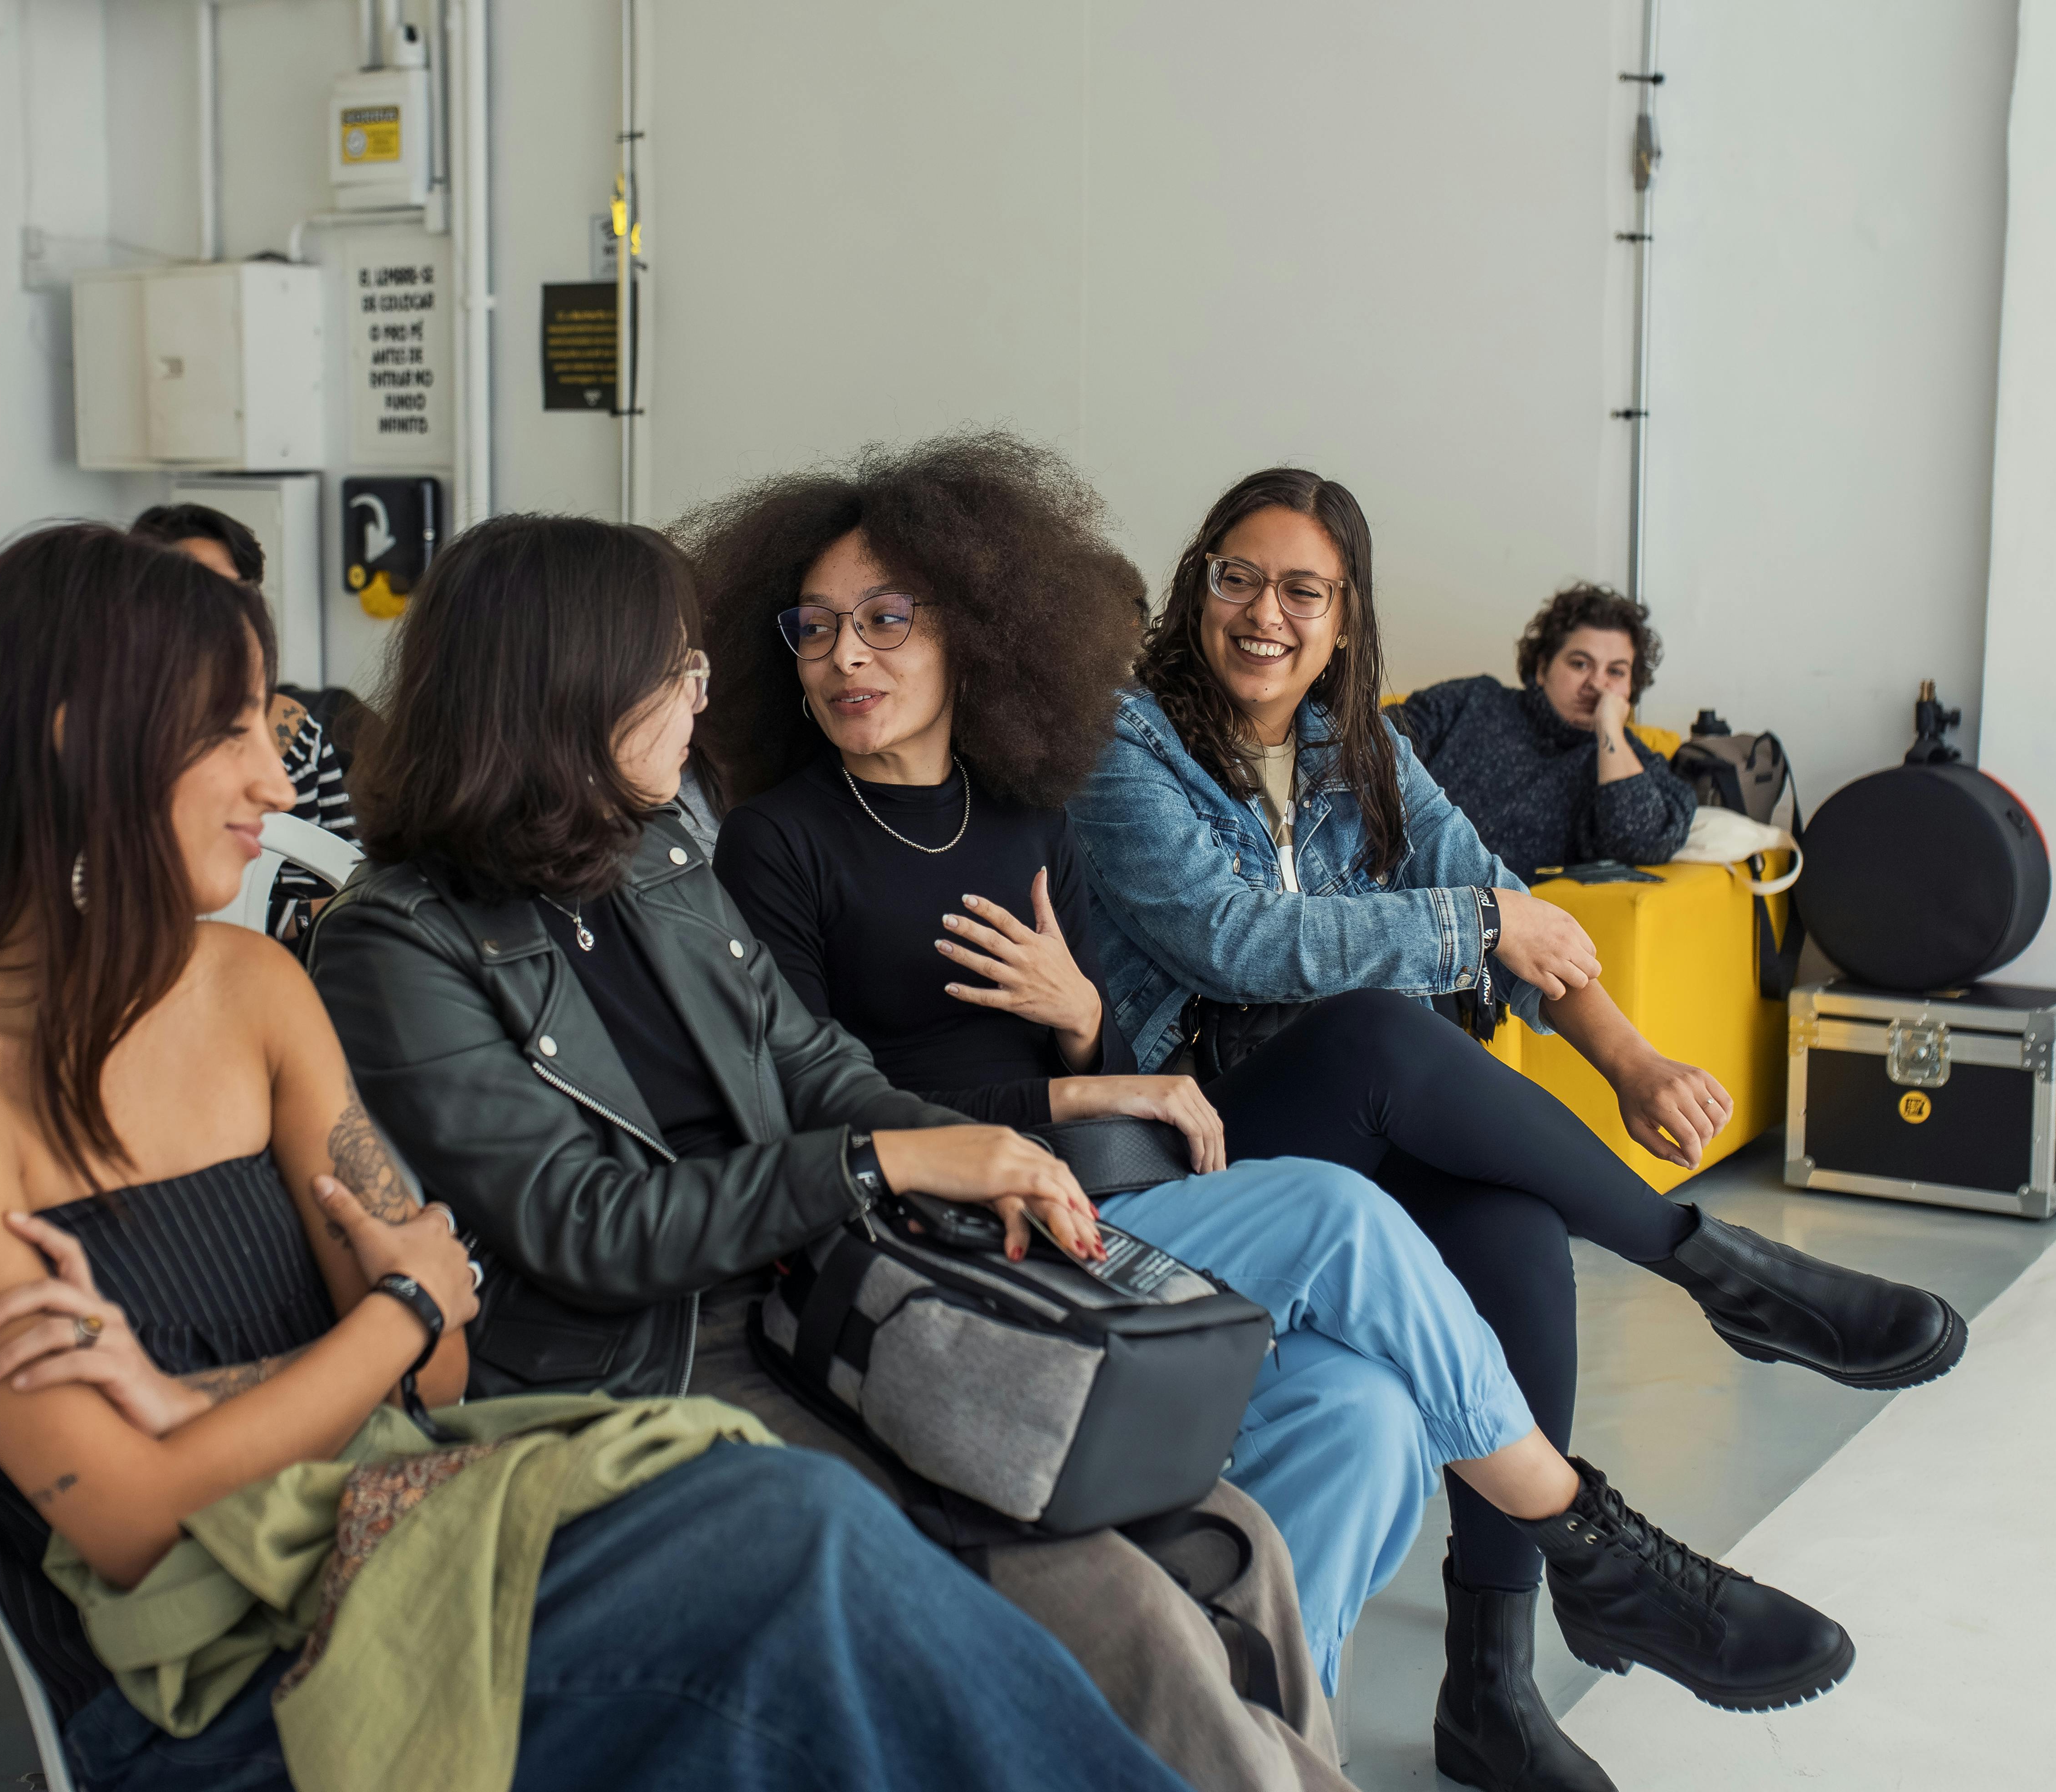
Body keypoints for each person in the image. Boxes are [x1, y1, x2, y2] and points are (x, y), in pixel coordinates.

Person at [0, 523, 1191, 1792]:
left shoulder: (248, 992)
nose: (270, 773)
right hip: (219, 1685)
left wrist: (238, 1386)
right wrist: (394, 1304)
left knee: (836, 1579)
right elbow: (132, 1521)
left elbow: (445, 1367)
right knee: (800, 1539)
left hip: (407, 1522)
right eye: (226, 728)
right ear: (77, 742)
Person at [691, 436, 1860, 1792]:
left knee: (1381, 1394)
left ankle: (1260, 1743)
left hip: (1111, 1180)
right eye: (817, 628)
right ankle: (1594, 1535)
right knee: (1343, 1203)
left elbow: (1131, 1047)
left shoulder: (1033, 815)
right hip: (952, 1229)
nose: (848, 657)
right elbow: (826, 1100)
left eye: (886, 620)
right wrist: (1070, 1075)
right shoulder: (781, 842)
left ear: (972, 635)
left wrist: (1081, 1027)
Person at [310, 512, 1350, 1792]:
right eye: (676, 671)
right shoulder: (396, 944)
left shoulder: (657, 853)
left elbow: (815, 1070)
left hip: (823, 1290)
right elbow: (581, 1225)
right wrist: (880, 1169)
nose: (704, 699)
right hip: (652, 1364)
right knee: (1110, 1604)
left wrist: (979, 1148)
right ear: (572, 687)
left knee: (1228, 1543)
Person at [1065, 466, 1966, 1789]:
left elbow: (1498, 898)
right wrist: (1470, 929)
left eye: (1300, 589)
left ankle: (1487, 1689)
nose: (1263, 613)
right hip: (1208, 1139)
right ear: (1198, 582)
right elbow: (1233, 938)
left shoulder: (1352, 748)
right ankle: (1717, 1272)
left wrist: (1631, 1059)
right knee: (1383, 1028)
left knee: (1513, 1231)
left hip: (1348, 1118)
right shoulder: (1121, 746)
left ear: (1342, 613)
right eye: (1237, 577)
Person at [130, 503, 356, 948]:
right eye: (204, 590)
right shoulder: (116, 739)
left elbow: (348, 865)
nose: (229, 613)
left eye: (242, 592)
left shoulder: (294, 724)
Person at [1387, 583, 1696, 879]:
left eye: (1616, 672)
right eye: (1580, 664)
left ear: (1632, 686)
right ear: (1542, 667)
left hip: (1497, 919)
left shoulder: (1634, 763)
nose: (1598, 684)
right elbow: (1371, 745)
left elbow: (1641, 841)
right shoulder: (1469, 702)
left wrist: (1610, 731)